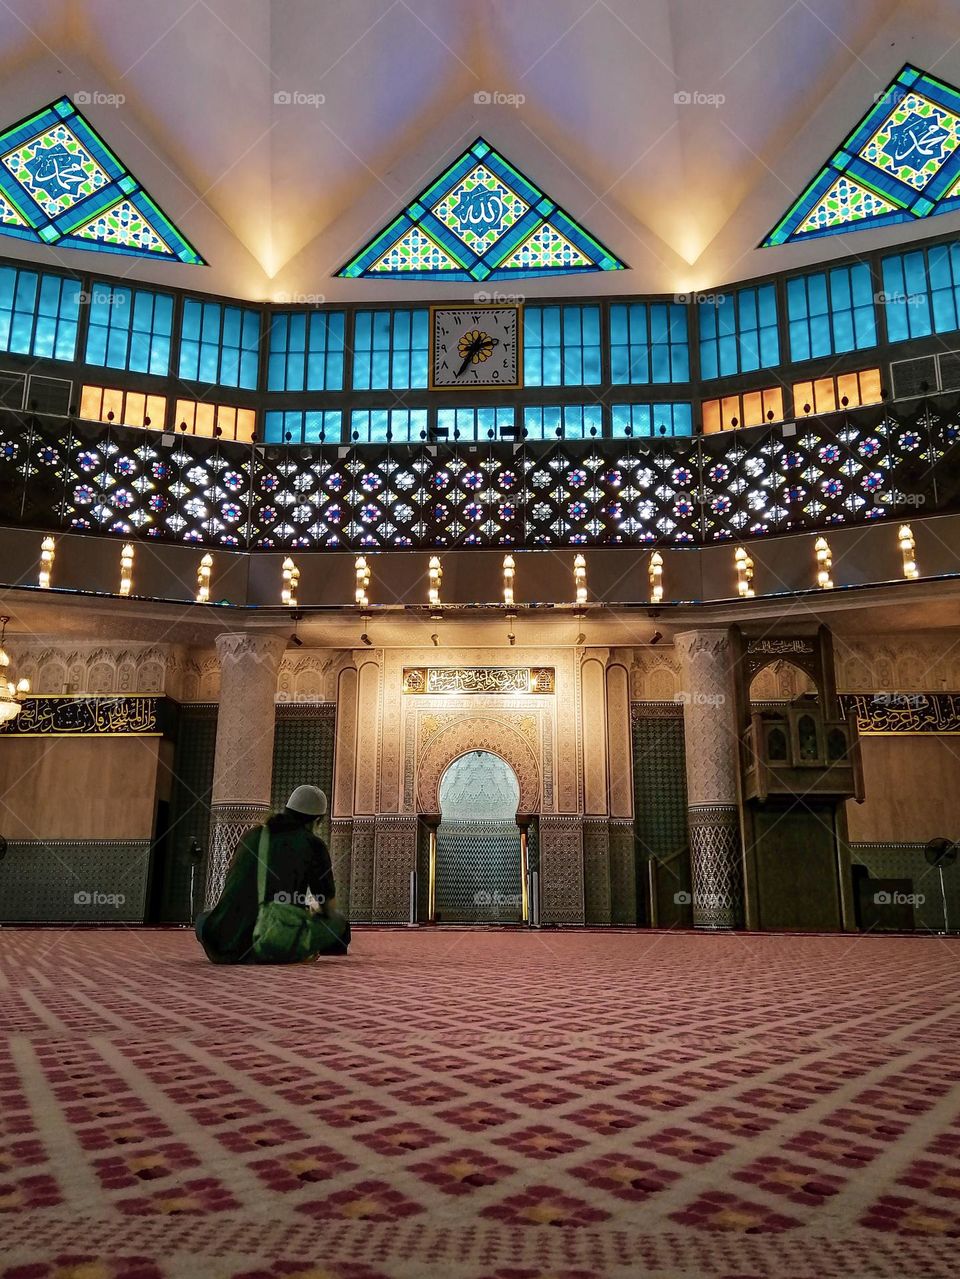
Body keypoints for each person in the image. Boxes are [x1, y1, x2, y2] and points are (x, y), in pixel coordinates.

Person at [195, 785, 350, 964]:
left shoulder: (252, 835)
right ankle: (294, 951)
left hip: (220, 944)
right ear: (315, 821)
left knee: (204, 918)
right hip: (269, 940)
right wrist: (311, 909)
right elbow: (328, 908)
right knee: (338, 922)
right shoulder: (313, 844)